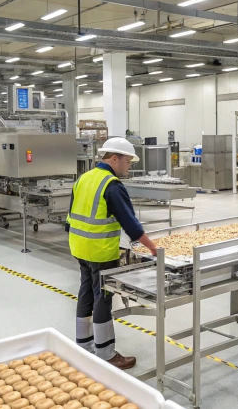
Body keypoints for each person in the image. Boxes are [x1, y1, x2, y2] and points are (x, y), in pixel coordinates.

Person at [67, 137, 157, 370]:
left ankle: (84, 344)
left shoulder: (83, 179)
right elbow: (131, 224)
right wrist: (153, 247)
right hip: (100, 251)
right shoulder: (111, 185)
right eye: (128, 161)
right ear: (114, 159)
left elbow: (70, 217)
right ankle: (106, 354)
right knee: (103, 297)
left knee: (86, 290)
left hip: (79, 247)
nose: (129, 166)